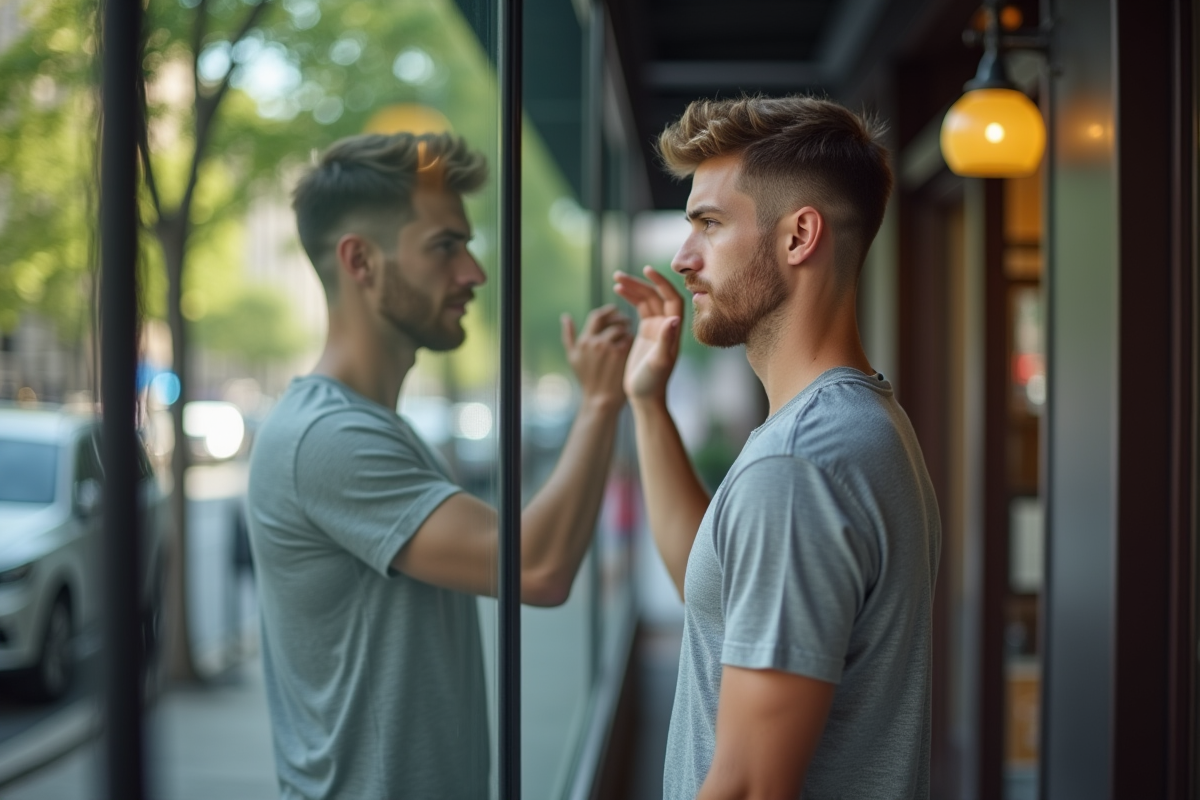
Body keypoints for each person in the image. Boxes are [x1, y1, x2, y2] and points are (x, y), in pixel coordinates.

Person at [247, 132, 631, 799]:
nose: (474, 274)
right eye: (445, 246)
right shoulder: (328, 438)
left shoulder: (373, 428)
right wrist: (599, 402)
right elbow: (535, 567)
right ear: (360, 261)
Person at [614, 95, 941, 798]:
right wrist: (648, 403)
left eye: (709, 224)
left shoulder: (802, 463)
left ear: (798, 237)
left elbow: (748, 785)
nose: (682, 258)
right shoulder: (857, 423)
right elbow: (715, 595)